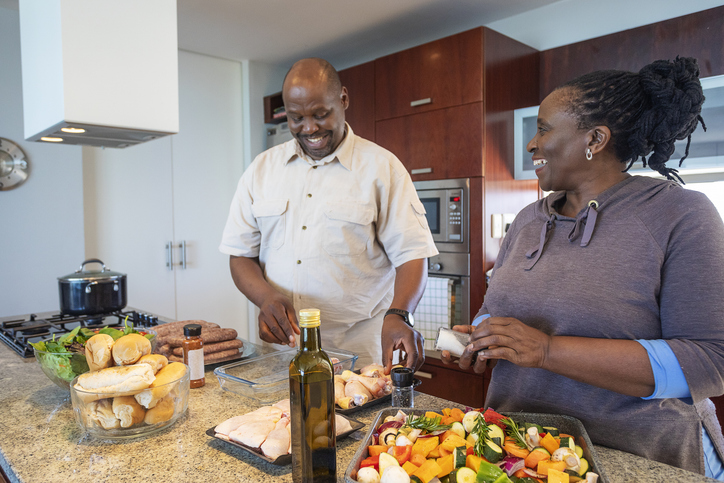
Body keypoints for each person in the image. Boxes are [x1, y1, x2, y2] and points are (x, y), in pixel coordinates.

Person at [442, 57, 724, 477]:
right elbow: (502, 311)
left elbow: (708, 361)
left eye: (543, 128)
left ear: (596, 138)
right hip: (519, 452)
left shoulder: (680, 213)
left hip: (634, 458)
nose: (531, 145)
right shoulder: (527, 219)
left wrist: (546, 350)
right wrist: (485, 338)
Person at [219, 58, 437, 370]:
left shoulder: (382, 167)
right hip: (284, 351)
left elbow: (413, 255)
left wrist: (400, 314)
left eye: (321, 114)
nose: (309, 128)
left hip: (360, 352)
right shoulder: (261, 170)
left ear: (343, 99)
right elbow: (240, 255)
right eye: (296, 118)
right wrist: (266, 298)